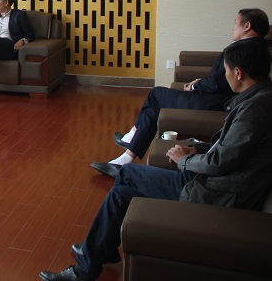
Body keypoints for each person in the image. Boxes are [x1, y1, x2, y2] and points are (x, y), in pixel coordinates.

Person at [41, 38, 272, 281]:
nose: (225, 76)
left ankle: (89, 264)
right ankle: (97, 253)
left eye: (226, 71)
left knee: (125, 179)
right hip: (217, 182)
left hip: (217, 193)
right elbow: (231, 151)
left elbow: (221, 162)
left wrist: (184, 161)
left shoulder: (254, 111)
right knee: (122, 191)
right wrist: (198, 149)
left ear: (238, 73)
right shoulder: (260, 97)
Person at [91, 8, 269, 178]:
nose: (233, 27)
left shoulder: (245, 51)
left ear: (247, 26)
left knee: (156, 94)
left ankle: (131, 140)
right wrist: (200, 82)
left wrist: (195, 86)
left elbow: (219, 82)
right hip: (213, 97)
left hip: (209, 101)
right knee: (156, 106)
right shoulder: (257, 48)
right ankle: (126, 154)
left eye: (236, 23)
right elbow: (221, 79)